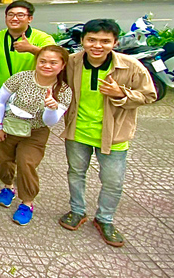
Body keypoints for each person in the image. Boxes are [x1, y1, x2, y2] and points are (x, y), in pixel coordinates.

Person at [59, 19, 156, 247]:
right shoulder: (72, 62)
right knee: (75, 173)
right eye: (91, 40)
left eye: (105, 41)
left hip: (115, 135)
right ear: (82, 40)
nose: (97, 45)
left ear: (115, 42)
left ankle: (105, 219)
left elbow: (149, 95)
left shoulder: (130, 66)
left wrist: (121, 93)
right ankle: (77, 210)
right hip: (78, 130)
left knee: (112, 182)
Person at [0, 46, 73, 226]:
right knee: (4, 159)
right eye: (43, 61)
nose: (47, 66)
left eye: (53, 63)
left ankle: (27, 202)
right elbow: (0, 100)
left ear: (62, 65)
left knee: (26, 162)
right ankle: (8, 187)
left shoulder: (63, 90)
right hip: (9, 126)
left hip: (35, 132)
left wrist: (51, 108)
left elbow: (50, 122)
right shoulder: (22, 77)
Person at [0, 0, 55, 169]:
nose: (15, 18)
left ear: (30, 18)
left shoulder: (42, 38)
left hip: (30, 97)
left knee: (26, 130)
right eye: (11, 15)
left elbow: (56, 59)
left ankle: (21, 160)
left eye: (20, 15)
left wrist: (32, 49)